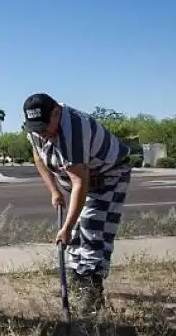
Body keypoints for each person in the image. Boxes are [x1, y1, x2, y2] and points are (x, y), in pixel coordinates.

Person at [22, 92, 132, 314]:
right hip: (78, 180)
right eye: (36, 128)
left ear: (56, 112)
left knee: (92, 230)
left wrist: (67, 227)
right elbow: (38, 156)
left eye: (45, 127)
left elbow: (81, 182)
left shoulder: (75, 130)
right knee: (75, 238)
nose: (42, 133)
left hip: (109, 176)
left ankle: (91, 289)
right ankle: (77, 281)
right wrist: (54, 191)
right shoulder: (36, 130)